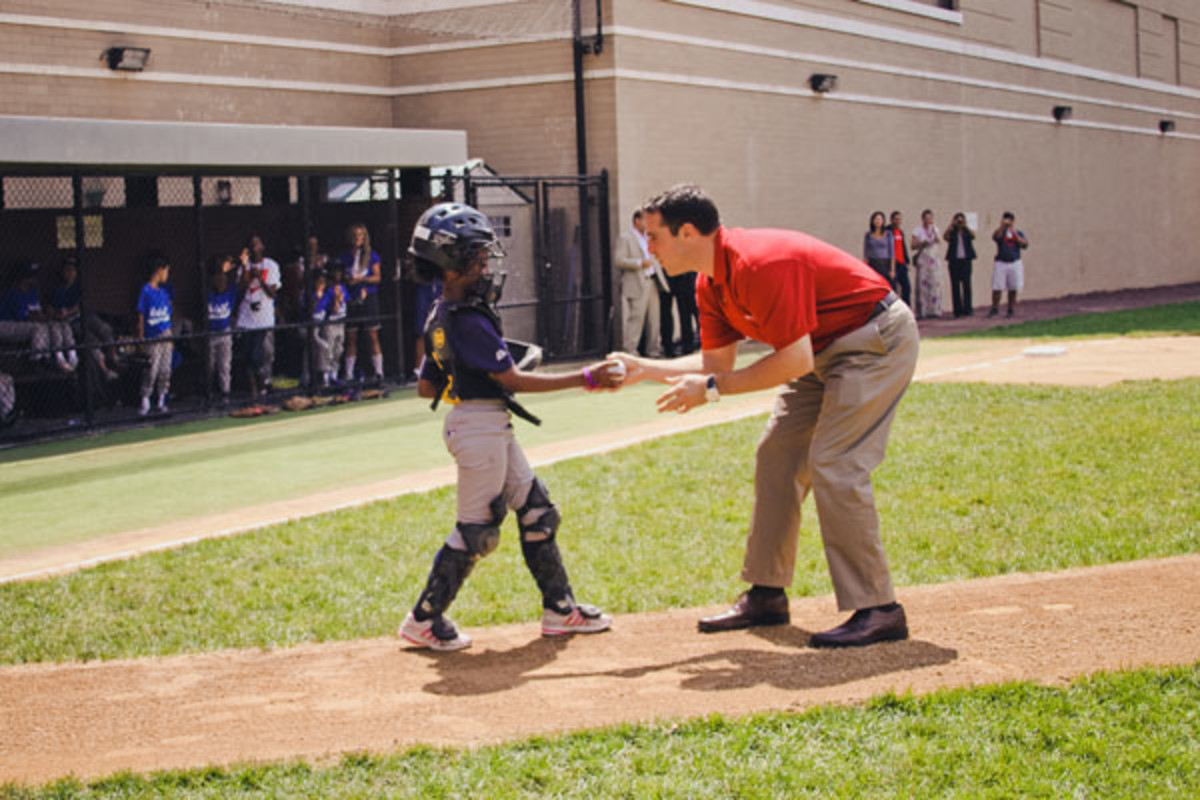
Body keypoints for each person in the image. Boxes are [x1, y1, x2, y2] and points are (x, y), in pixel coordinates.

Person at [612, 185, 919, 649]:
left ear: (688, 232)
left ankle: (880, 608)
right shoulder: (710, 281)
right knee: (776, 455)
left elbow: (786, 362)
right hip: (819, 351)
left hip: (873, 341)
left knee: (835, 463)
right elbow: (717, 364)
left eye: (654, 236)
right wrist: (645, 370)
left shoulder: (760, 264)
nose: (648, 246)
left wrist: (712, 391)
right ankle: (767, 595)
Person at [399, 202, 622, 651]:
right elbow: (512, 381)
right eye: (477, 259)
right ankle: (424, 618)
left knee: (538, 510)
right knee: (476, 530)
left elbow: (427, 387)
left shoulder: (441, 315)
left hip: (482, 425)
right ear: (453, 262)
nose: (486, 267)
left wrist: (470, 373)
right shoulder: (471, 319)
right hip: (480, 431)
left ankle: (560, 610)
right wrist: (586, 378)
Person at [50, 255, 120, 381]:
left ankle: (114, 358)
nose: (70, 273)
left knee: (104, 328)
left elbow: (80, 305)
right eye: (67, 270)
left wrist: (68, 311)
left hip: (82, 316)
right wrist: (60, 314)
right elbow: (51, 309)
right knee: (91, 340)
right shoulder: (56, 289)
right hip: (70, 323)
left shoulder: (78, 287)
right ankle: (105, 370)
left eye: (73, 270)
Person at [0, 261, 77, 373]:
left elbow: (37, 313)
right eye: (32, 276)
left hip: (27, 323)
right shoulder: (12, 294)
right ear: (24, 278)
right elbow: (25, 317)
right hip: (5, 324)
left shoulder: (33, 292)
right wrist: (45, 317)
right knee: (38, 328)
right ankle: (37, 361)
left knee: (58, 325)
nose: (35, 279)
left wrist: (49, 317)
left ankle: (66, 357)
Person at [236, 233, 282, 400]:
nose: (254, 248)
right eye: (251, 245)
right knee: (248, 355)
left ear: (262, 246)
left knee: (260, 354)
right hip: (247, 317)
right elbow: (240, 291)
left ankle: (265, 384)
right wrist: (246, 269)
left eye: (256, 244)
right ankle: (253, 390)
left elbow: (273, 293)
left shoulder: (271, 265)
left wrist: (259, 279)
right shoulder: (243, 268)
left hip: (264, 317)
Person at [615, 209, 666, 357]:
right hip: (637, 283)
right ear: (637, 220)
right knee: (636, 319)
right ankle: (630, 351)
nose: (648, 223)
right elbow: (619, 260)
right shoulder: (625, 238)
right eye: (645, 220)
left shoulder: (648, 237)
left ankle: (653, 351)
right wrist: (639, 263)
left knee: (654, 319)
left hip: (652, 282)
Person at [339, 222, 384, 382]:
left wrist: (362, 279)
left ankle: (379, 372)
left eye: (361, 235)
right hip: (351, 299)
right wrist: (348, 280)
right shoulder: (345, 256)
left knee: (372, 335)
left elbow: (377, 277)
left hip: (368, 298)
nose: (358, 238)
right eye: (355, 235)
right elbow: (340, 276)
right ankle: (349, 374)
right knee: (351, 337)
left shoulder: (372, 255)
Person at [136, 256, 173, 416]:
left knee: (165, 370)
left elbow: (168, 315)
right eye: (166, 271)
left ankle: (161, 400)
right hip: (152, 336)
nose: (167, 275)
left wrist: (170, 337)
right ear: (159, 270)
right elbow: (141, 314)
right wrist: (141, 336)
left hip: (165, 333)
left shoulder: (164, 292)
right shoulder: (146, 290)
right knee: (152, 370)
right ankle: (145, 401)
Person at [205, 255, 238, 405]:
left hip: (225, 332)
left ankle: (226, 393)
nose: (221, 283)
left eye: (223, 280)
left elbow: (236, 282)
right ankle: (209, 391)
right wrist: (220, 270)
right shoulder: (208, 293)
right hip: (211, 334)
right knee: (210, 365)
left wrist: (226, 270)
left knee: (224, 365)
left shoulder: (230, 291)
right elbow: (210, 279)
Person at [309, 267, 346, 388]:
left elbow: (335, 309)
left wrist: (337, 298)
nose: (322, 284)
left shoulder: (328, 293)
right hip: (314, 326)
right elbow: (312, 310)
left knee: (337, 350)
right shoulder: (311, 294)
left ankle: (332, 377)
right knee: (325, 348)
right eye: (319, 281)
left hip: (327, 324)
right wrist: (318, 298)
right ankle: (323, 379)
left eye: (323, 281)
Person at [990, 212, 1029, 318]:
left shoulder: (1018, 232)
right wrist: (1002, 227)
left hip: (1014, 262)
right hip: (1001, 262)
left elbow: (1025, 244)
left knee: (1013, 287)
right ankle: (994, 308)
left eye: (1009, 220)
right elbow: (995, 237)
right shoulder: (1000, 232)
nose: (1007, 222)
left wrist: (1014, 234)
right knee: (997, 286)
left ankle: (1011, 309)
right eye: (1005, 219)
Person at [910, 209, 943, 319]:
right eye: (926, 218)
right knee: (922, 285)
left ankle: (934, 310)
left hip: (934, 259)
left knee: (935, 284)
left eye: (930, 218)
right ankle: (922, 310)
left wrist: (933, 231)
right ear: (922, 219)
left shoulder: (935, 229)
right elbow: (913, 245)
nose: (928, 220)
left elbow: (939, 241)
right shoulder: (917, 230)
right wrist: (921, 243)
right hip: (923, 259)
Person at [943, 212, 977, 317]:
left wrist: (965, 226)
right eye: (958, 220)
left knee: (967, 285)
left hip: (966, 260)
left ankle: (968, 309)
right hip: (954, 261)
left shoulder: (966, 231)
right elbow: (945, 237)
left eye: (961, 220)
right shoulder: (952, 231)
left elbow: (973, 236)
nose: (959, 222)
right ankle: (957, 310)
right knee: (955, 286)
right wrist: (951, 225)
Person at [862, 211, 893, 286]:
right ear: (872, 221)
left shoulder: (888, 234)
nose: (878, 221)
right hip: (873, 262)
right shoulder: (868, 235)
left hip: (884, 263)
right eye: (876, 219)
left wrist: (892, 269)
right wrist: (865, 267)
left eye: (880, 219)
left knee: (885, 285)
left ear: (883, 221)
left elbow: (892, 252)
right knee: (873, 284)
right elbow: (866, 252)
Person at [888, 210, 912, 308]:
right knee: (894, 289)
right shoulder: (887, 231)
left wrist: (907, 261)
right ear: (891, 220)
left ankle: (907, 309)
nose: (898, 221)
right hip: (893, 264)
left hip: (902, 263)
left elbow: (903, 247)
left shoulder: (900, 232)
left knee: (907, 288)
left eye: (899, 219)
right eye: (896, 219)